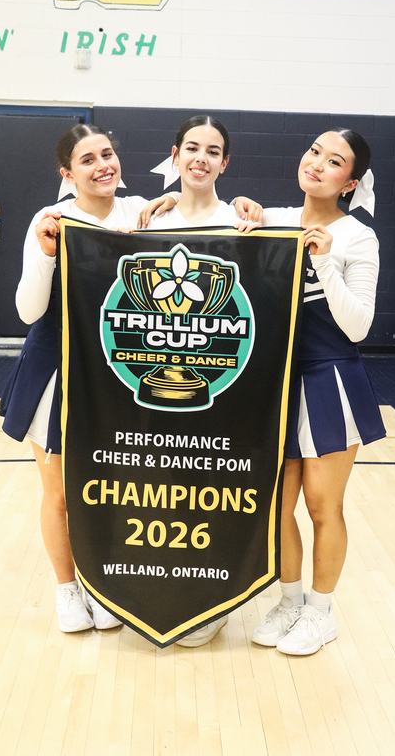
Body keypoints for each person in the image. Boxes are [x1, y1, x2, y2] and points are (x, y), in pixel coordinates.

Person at [0, 123, 179, 633]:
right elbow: (28, 310)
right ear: (67, 172)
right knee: (58, 492)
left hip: (113, 370)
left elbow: (208, 219)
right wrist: (48, 254)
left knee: (108, 489)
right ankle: (66, 589)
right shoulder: (51, 220)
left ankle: (101, 584)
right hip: (55, 364)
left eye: (108, 154)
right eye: (87, 159)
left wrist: (236, 207)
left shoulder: (143, 210)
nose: (103, 165)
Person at [239, 128, 386, 656]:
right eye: (314, 152)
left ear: (350, 182)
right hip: (273, 383)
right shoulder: (273, 219)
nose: (318, 164)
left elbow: (360, 327)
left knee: (324, 507)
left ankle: (321, 613)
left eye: (335, 161)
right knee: (276, 507)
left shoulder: (357, 237)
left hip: (331, 379)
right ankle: (288, 600)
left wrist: (324, 260)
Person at [140, 114, 260, 646]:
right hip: (154, 391)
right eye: (192, 148)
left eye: (213, 151)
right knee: (159, 495)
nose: (201, 159)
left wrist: (251, 212)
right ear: (174, 154)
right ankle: (154, 591)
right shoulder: (148, 219)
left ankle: (209, 600)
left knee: (211, 493)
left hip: (219, 389)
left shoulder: (244, 223)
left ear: (225, 163)